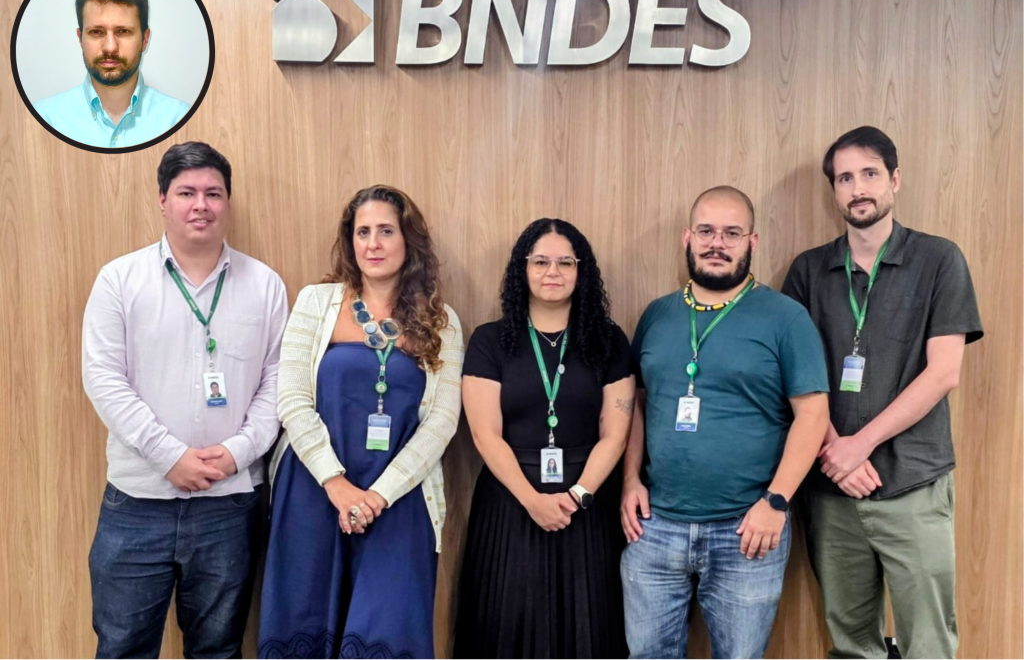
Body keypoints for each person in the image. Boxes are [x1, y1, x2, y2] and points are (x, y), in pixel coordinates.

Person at [782, 126, 983, 659]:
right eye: (844, 178)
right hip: (832, 490)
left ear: (894, 179)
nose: (858, 188)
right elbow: (794, 377)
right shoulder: (807, 271)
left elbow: (943, 374)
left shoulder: (940, 260)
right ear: (834, 191)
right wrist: (836, 453)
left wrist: (859, 445)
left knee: (929, 643)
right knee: (852, 645)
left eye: (869, 173)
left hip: (913, 483)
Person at [82, 141, 288, 658]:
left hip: (229, 502)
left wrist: (238, 452)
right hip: (137, 501)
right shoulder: (119, 280)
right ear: (162, 200)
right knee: (123, 647)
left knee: (217, 649)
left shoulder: (264, 285)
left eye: (213, 193)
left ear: (228, 202)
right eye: (186, 192)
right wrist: (169, 456)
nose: (201, 205)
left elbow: (279, 382)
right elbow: (103, 378)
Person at [620, 186, 830, 659]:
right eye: (706, 231)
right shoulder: (657, 315)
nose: (717, 243)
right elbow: (638, 403)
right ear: (687, 238)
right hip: (655, 527)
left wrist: (776, 501)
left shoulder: (785, 318)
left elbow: (813, 415)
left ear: (752, 241)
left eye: (732, 233)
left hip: (748, 528)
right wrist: (630, 480)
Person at [258, 185, 464, 659]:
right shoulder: (316, 302)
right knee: (306, 624)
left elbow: (441, 422)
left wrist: (377, 496)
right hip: (312, 489)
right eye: (362, 232)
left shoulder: (442, 322)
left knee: (386, 629)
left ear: (409, 239)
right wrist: (337, 485)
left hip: (400, 498)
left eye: (385, 231)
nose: (373, 244)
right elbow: (292, 400)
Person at [456, 218, 635, 659]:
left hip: (586, 504)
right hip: (510, 502)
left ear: (581, 270)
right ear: (523, 269)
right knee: (505, 627)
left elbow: (616, 434)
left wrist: (577, 496)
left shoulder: (608, 340)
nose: (552, 271)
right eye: (540, 262)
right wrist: (532, 500)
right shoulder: (490, 340)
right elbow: (484, 433)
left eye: (565, 262)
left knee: (588, 628)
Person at [32, 0, 189, 148]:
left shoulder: (180, 119)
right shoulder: (43, 119)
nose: (110, 47)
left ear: (145, 39)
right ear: (80, 38)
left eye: (123, 31)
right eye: (96, 32)